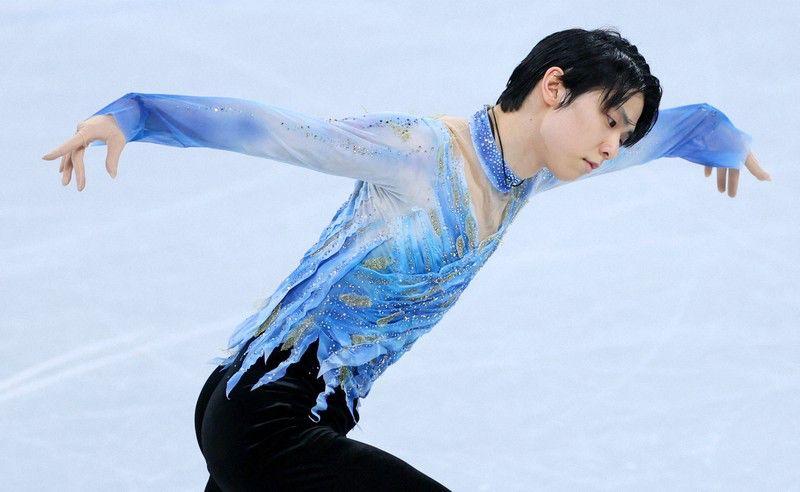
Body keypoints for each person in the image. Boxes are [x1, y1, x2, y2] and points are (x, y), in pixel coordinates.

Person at [42, 27, 770, 491]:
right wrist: (133, 114)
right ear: (554, 87)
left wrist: (717, 134)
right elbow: (272, 129)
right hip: (263, 417)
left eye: (623, 133)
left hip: (307, 422)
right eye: (609, 121)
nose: (613, 145)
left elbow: (671, 135)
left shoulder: (533, 175)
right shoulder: (419, 153)